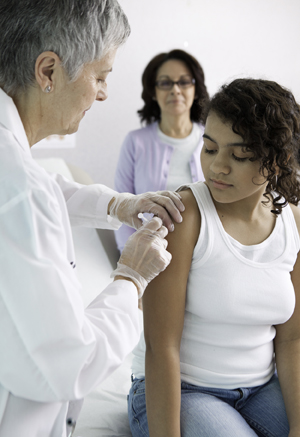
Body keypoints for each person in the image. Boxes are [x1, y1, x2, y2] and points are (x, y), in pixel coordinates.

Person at [0, 1, 186, 436]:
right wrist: (131, 278)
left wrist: (116, 205)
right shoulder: (20, 189)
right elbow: (71, 363)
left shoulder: (16, 169)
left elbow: (44, 191)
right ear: (48, 72)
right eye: (100, 76)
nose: (103, 94)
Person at [128, 78, 300, 437]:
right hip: (183, 392)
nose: (217, 167)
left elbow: (292, 340)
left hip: (261, 390)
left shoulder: (293, 223)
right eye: (209, 149)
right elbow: (161, 347)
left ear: (277, 162)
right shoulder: (185, 213)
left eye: (238, 156)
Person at [114, 49, 209, 252]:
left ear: (196, 88)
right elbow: (121, 206)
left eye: (183, 82)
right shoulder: (135, 142)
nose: (175, 90)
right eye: (166, 83)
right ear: (153, 92)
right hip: (147, 256)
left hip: (205, 253)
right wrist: (129, 255)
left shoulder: (211, 140)